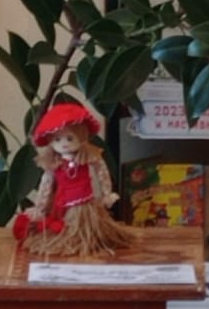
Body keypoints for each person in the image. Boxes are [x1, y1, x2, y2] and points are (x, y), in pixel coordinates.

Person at [13, 100, 138, 256]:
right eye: (57, 139)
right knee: (63, 227)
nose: (64, 144)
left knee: (90, 228)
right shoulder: (55, 163)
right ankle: (71, 241)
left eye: (70, 138)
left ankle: (86, 240)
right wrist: (41, 206)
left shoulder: (88, 157)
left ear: (81, 136)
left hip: (84, 203)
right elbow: (46, 184)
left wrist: (107, 193)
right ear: (51, 141)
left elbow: (102, 172)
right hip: (62, 204)